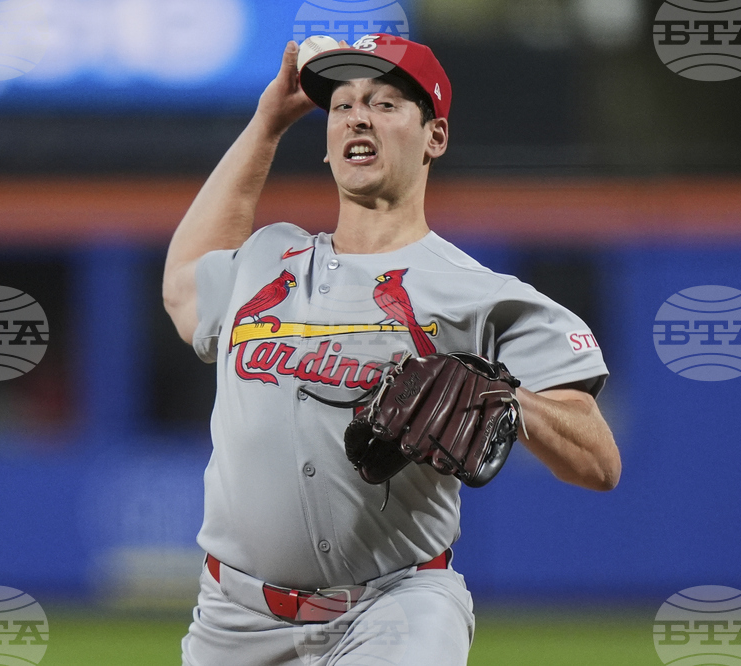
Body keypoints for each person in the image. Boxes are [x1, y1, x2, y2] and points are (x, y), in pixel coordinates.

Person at [163, 34, 620, 666]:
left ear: (435, 136)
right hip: (233, 620)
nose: (358, 117)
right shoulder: (267, 258)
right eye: (343, 106)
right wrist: (267, 125)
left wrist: (509, 400)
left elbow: (598, 461)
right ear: (328, 143)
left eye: (384, 103)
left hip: (397, 607)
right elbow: (183, 288)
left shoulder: (481, 294)